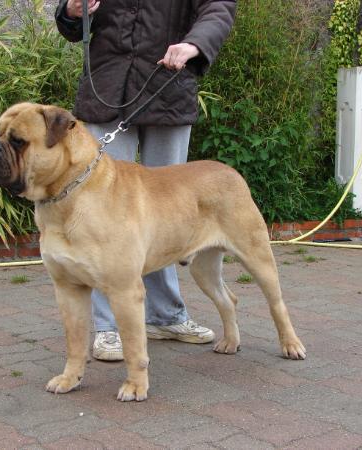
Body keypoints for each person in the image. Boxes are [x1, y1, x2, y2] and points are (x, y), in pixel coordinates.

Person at [54, 0, 236, 361]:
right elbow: (72, 24)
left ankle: (164, 315)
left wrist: (195, 45)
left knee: (168, 213)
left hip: (167, 86)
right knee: (106, 217)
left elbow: (218, 8)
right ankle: (110, 328)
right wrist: (72, 12)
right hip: (106, 89)